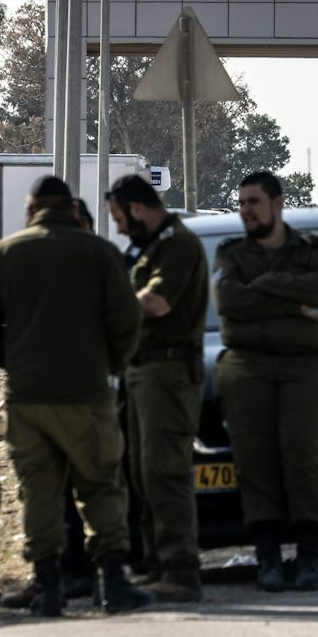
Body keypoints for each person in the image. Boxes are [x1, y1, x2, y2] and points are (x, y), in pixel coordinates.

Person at [0, 176, 151, 616]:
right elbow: (128, 319)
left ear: (31, 211)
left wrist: (13, 359)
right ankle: (113, 583)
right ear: (71, 209)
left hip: (28, 396)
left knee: (39, 492)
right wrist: (112, 363)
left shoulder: (5, 254)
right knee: (101, 486)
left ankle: (48, 588)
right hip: (87, 392)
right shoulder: (99, 252)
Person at [213, 171, 318, 593]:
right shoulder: (230, 254)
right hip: (247, 364)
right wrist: (294, 300)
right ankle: (267, 558)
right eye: (242, 203)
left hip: (305, 365)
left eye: (253, 202)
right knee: (255, 460)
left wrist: (269, 284)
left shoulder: (314, 250)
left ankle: (309, 558)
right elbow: (229, 301)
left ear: (277, 203)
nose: (246, 211)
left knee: (305, 456)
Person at [108, 174, 210, 603]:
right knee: (140, 472)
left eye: (119, 219)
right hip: (141, 370)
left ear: (137, 209)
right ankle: (155, 567)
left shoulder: (178, 244)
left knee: (164, 470)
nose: (118, 229)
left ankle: (180, 570)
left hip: (168, 371)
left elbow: (156, 301)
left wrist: (106, 303)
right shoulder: (148, 246)